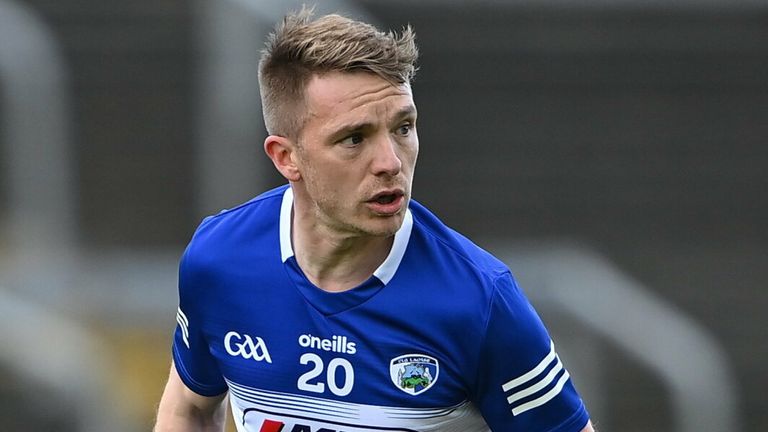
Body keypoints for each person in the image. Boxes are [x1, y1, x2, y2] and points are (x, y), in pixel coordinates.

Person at [154, 8, 595, 432]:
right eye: (354, 138)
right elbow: (189, 410)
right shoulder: (219, 261)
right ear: (286, 157)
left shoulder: (480, 302)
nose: (390, 162)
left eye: (403, 128)